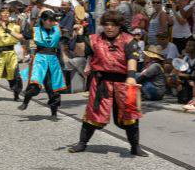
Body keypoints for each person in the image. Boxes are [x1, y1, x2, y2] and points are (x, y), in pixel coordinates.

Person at [68, 10, 147, 157]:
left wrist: (131, 76)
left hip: (124, 82)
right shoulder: (94, 39)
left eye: (113, 25)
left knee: (129, 115)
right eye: (106, 25)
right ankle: (82, 143)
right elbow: (80, 52)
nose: (109, 28)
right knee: (93, 113)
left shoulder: (128, 40)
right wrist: (79, 34)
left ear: (119, 26)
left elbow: (132, 58)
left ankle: (135, 147)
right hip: (101, 83)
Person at [18, 9, 65, 118]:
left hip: (53, 60)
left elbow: (68, 37)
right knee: (34, 84)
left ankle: (54, 114)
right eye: (49, 20)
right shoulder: (35, 30)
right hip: (40, 60)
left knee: (53, 88)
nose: (52, 22)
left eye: (53, 20)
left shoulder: (57, 29)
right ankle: (25, 102)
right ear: (43, 20)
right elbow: (22, 37)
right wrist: (8, 31)